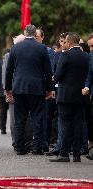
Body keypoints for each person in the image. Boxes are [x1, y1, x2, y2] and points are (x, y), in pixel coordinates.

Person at [5, 24, 53, 155]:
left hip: (19, 88)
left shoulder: (15, 48)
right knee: (38, 118)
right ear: (34, 33)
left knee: (20, 119)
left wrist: (8, 88)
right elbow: (48, 71)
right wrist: (49, 89)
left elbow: (9, 70)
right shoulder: (42, 48)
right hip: (37, 88)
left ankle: (20, 148)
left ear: (25, 32)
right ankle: (37, 148)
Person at [50, 32, 90, 162]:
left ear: (70, 42)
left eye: (66, 41)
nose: (64, 44)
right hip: (80, 95)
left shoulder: (65, 55)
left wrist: (53, 80)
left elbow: (59, 74)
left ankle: (64, 153)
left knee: (65, 124)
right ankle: (77, 154)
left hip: (66, 95)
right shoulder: (86, 56)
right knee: (78, 124)